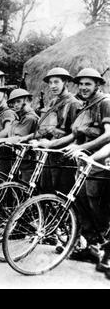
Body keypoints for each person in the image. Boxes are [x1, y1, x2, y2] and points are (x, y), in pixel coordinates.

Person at [36, 68, 110, 258]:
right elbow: (78, 135)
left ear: (97, 85)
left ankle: (101, 247)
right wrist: (71, 147)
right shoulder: (85, 106)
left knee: (96, 206)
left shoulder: (105, 103)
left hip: (100, 163)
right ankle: (89, 247)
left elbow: (108, 135)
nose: (84, 88)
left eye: (88, 84)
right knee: (80, 202)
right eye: (81, 84)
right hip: (83, 162)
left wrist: (80, 149)